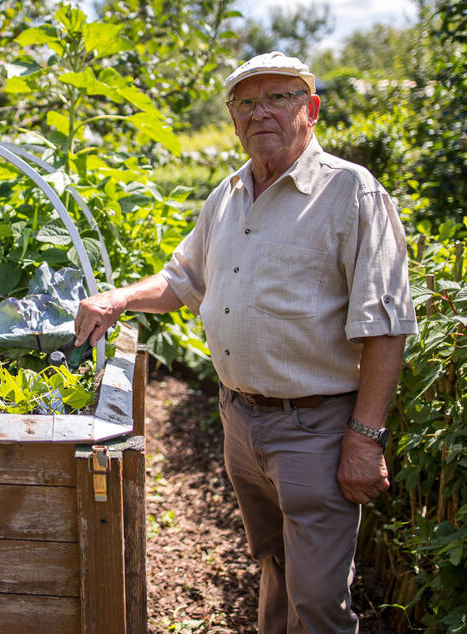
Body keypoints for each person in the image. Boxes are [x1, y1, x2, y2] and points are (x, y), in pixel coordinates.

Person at [74, 51, 418, 633]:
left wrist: (364, 439)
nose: (261, 112)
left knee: (320, 604)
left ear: (310, 109)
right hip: (240, 421)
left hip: (314, 430)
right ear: (234, 119)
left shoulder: (349, 194)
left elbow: (385, 326)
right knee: (276, 564)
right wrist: (118, 299)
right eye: (245, 102)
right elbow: (184, 279)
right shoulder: (228, 196)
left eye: (278, 98)